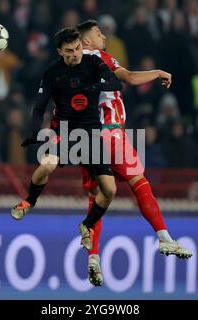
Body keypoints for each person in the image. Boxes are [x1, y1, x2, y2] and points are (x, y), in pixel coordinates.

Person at [75, 20, 192, 286]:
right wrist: (157, 72)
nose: (103, 35)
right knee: (139, 182)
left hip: (86, 137)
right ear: (86, 42)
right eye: (98, 33)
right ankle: (164, 239)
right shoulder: (100, 56)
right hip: (111, 132)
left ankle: (93, 258)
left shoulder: (73, 67)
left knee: (98, 197)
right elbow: (128, 77)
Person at [11, 27, 121, 254]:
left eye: (78, 48)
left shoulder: (92, 64)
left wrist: (96, 86)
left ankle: (86, 224)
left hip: (91, 134)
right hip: (65, 131)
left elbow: (115, 83)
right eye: (69, 51)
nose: (75, 54)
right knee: (46, 166)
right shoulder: (53, 72)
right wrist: (33, 132)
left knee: (109, 190)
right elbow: (39, 106)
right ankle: (29, 201)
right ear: (60, 51)